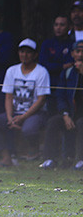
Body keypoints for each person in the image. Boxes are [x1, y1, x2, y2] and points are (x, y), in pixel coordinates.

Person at [0, 39, 50, 167]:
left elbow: (41, 100)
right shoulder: (12, 71)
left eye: (28, 52)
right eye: (22, 51)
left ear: (35, 55)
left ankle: (33, 153)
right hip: (15, 112)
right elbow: (8, 96)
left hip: (35, 114)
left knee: (29, 128)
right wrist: (10, 118)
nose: (24, 55)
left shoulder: (42, 72)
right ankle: (6, 158)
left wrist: (23, 117)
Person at [39, 40, 83, 170]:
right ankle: (50, 159)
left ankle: (80, 160)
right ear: (72, 54)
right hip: (69, 113)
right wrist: (65, 114)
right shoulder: (67, 72)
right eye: (78, 51)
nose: (80, 54)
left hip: (81, 116)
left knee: (81, 123)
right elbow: (61, 95)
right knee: (53, 121)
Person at [39, 15, 74, 84]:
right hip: (48, 81)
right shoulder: (47, 44)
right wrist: (62, 66)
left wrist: (54, 65)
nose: (58, 28)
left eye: (62, 25)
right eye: (56, 25)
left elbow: (70, 64)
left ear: (69, 27)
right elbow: (43, 64)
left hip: (66, 82)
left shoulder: (72, 45)